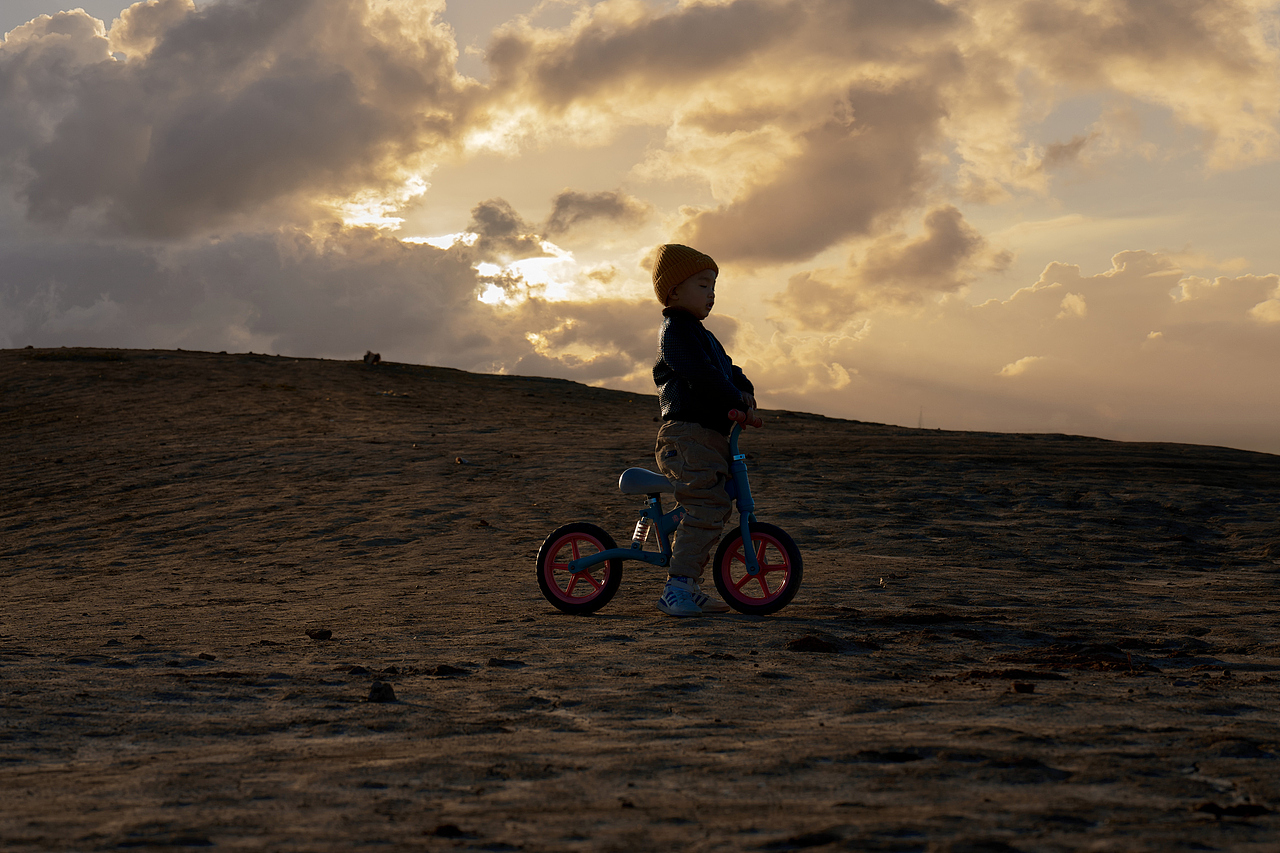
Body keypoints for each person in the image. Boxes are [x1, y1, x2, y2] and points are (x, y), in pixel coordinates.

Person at [650, 243, 757, 617]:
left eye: (713, 286)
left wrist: (744, 390)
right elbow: (701, 374)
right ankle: (676, 587)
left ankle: (689, 584)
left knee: (715, 504)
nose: (711, 294)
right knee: (707, 505)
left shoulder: (704, 336)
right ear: (674, 290)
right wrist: (733, 397)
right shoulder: (676, 332)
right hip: (687, 435)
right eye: (702, 285)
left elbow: (729, 368)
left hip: (708, 438)